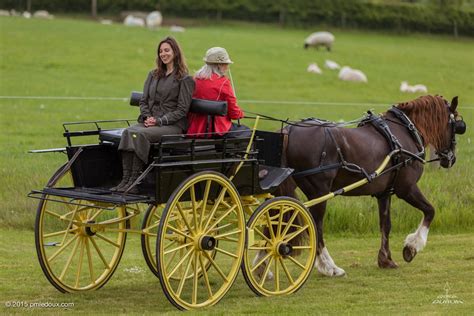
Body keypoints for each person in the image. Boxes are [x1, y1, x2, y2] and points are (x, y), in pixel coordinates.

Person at [112, 36, 195, 193]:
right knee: (128, 132)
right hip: (150, 122)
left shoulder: (184, 79)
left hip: (172, 125)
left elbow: (182, 109)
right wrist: (147, 117)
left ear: (175, 52)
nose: (163, 54)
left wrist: (159, 120)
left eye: (167, 50)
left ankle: (135, 182)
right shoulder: (153, 75)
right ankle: (126, 180)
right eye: (161, 51)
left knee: (139, 134)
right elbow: (144, 101)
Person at [187, 47, 249, 138]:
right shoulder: (223, 82)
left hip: (193, 128)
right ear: (219, 65)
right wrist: (240, 113)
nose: (227, 67)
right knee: (247, 132)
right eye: (225, 64)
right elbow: (234, 114)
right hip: (215, 129)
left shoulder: (195, 79)